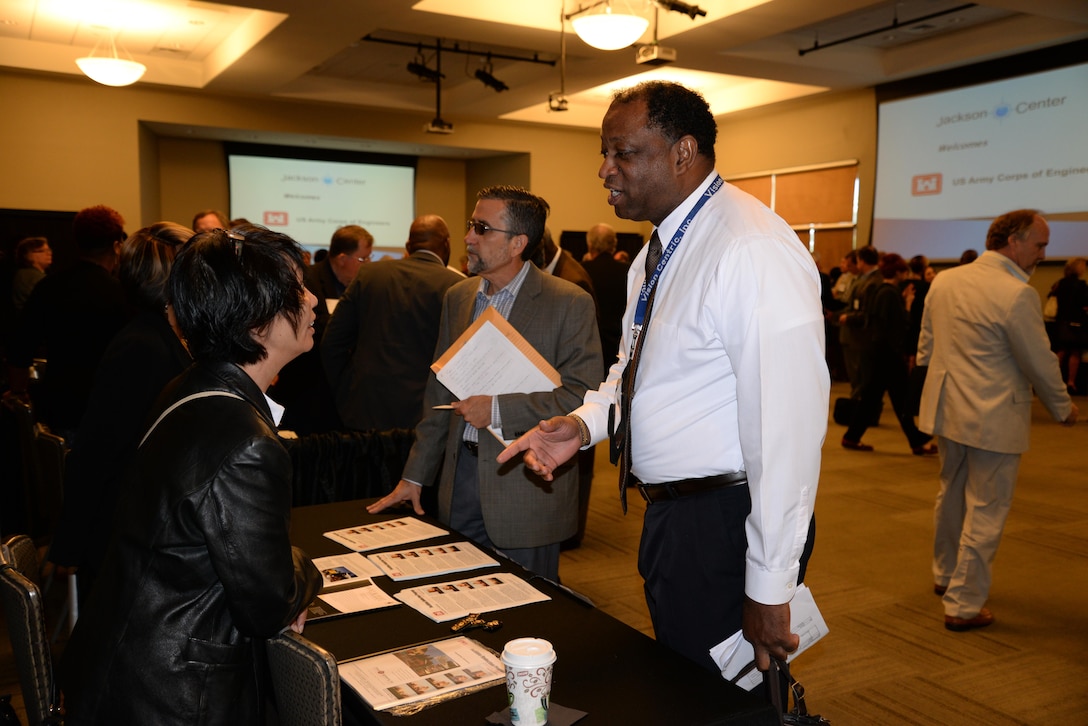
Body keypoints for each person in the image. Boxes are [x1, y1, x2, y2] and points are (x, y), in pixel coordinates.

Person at [497, 81, 828, 674]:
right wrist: (582, 425)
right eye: (605, 152)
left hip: (727, 522)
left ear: (683, 152)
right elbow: (635, 370)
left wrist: (770, 584)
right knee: (687, 689)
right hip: (674, 518)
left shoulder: (748, 248)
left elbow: (787, 431)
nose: (605, 169)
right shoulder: (663, 247)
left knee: (731, 702)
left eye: (623, 153)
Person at [59, 225, 323, 724]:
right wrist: (309, 568)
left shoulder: (190, 385)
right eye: (294, 292)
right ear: (253, 324)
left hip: (122, 661)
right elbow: (268, 605)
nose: (312, 301)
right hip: (171, 693)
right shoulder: (246, 442)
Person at [367, 186, 602, 583]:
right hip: (458, 482)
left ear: (517, 243)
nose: (468, 238)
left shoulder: (569, 303)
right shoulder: (457, 297)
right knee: (458, 599)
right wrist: (415, 476)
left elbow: (580, 395)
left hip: (526, 487)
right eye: (470, 226)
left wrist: (496, 409)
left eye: (482, 228)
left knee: (527, 617)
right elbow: (439, 394)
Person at [918, 209, 1077, 632]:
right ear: (1015, 243)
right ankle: (964, 603)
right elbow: (1040, 362)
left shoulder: (946, 280)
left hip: (948, 410)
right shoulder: (1016, 294)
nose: (1045, 253)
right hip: (993, 417)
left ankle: (944, 574)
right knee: (987, 509)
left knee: (950, 495)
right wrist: (1063, 407)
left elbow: (926, 349)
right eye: (1040, 244)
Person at [47, 222, 194, 604]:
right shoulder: (142, 347)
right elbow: (98, 449)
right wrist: (70, 543)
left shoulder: (158, 336)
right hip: (127, 539)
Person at [321, 214, 464, 432]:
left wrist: (346, 394)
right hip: (426, 416)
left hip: (365, 412)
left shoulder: (369, 275)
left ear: (408, 246)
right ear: (447, 244)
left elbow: (332, 343)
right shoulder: (457, 287)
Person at [7, 205, 129, 441]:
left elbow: (19, 347)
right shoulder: (121, 294)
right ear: (116, 246)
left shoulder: (49, 287)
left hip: (59, 408)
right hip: (107, 410)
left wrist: (19, 392)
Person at [840, 253, 936, 455]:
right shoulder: (889, 293)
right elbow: (899, 326)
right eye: (903, 271)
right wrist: (908, 305)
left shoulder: (883, 291)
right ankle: (916, 441)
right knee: (896, 398)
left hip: (879, 353)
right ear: (899, 272)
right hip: (887, 355)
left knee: (874, 398)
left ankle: (853, 436)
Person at [582, 222, 629, 369]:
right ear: (613, 245)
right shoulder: (629, 271)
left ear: (590, 245)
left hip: (588, 346)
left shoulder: (581, 272)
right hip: (620, 348)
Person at [1052, 257, 1087, 394]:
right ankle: (1071, 382)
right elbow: (1084, 303)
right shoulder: (1081, 285)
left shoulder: (1060, 283)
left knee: (1061, 351)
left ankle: (1055, 380)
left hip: (1061, 321)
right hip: (1076, 322)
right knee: (1075, 352)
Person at [11, 236, 51, 311]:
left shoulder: (28, 274)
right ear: (27, 255)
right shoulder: (31, 276)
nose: (49, 253)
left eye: (48, 250)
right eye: (41, 251)